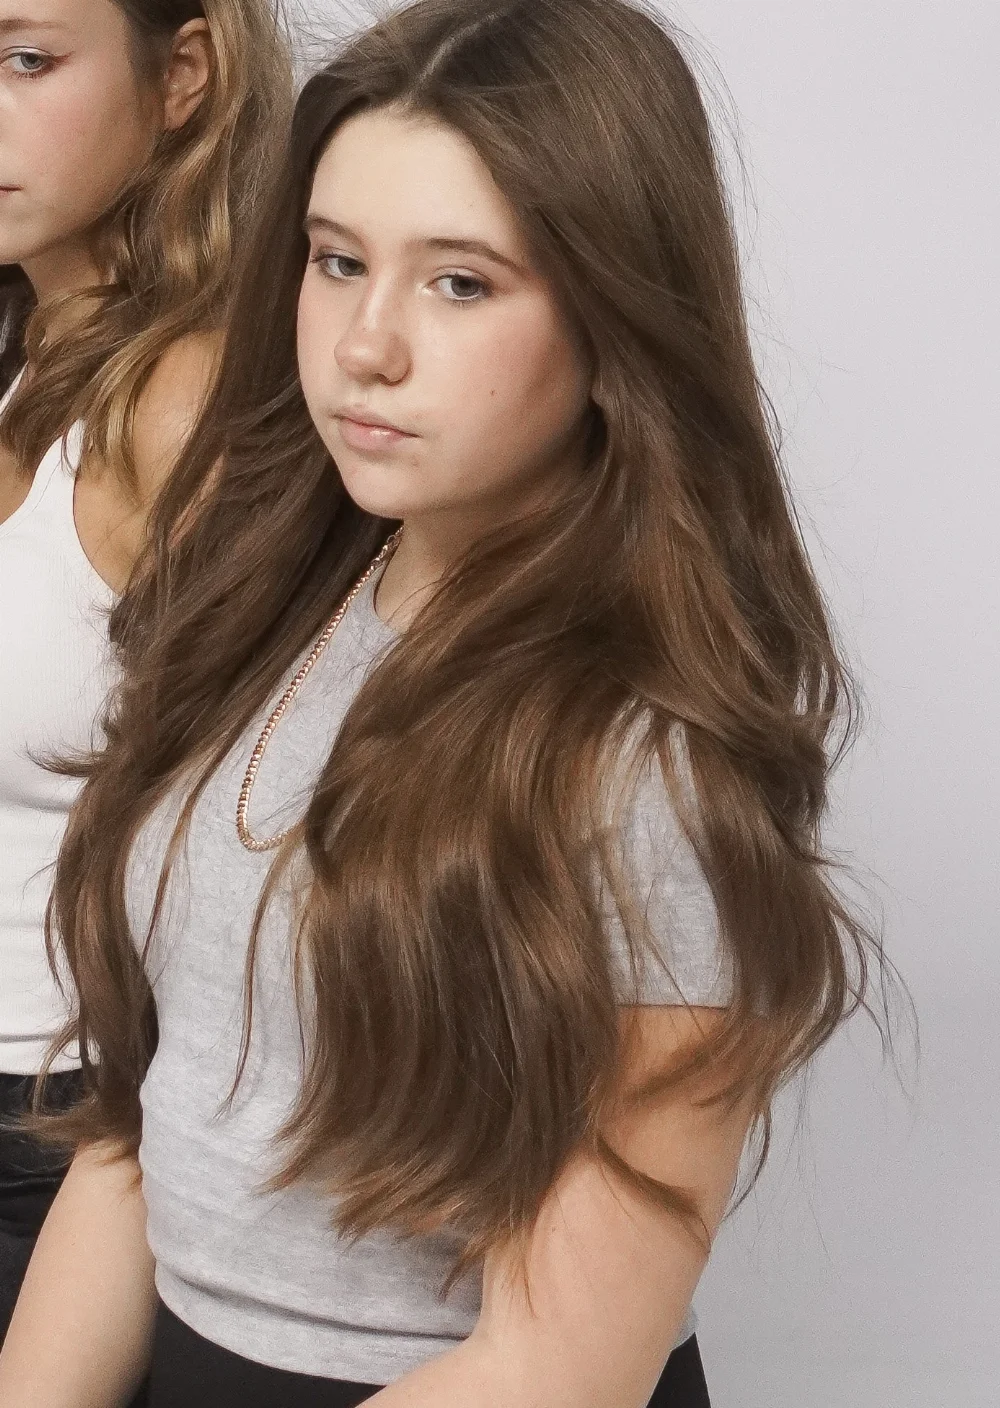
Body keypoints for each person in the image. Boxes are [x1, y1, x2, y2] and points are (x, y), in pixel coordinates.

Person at [0, 0, 885, 1404]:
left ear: (612, 312)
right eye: (338, 261)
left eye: (460, 284)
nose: (367, 345)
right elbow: (145, 1120)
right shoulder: (269, 609)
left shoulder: (648, 758)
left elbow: (559, 1368)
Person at [0, 0, 292, 1344]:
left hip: (64, 1143)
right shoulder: (26, 348)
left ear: (183, 74)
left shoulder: (187, 402)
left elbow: (278, 849)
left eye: (24, 59)